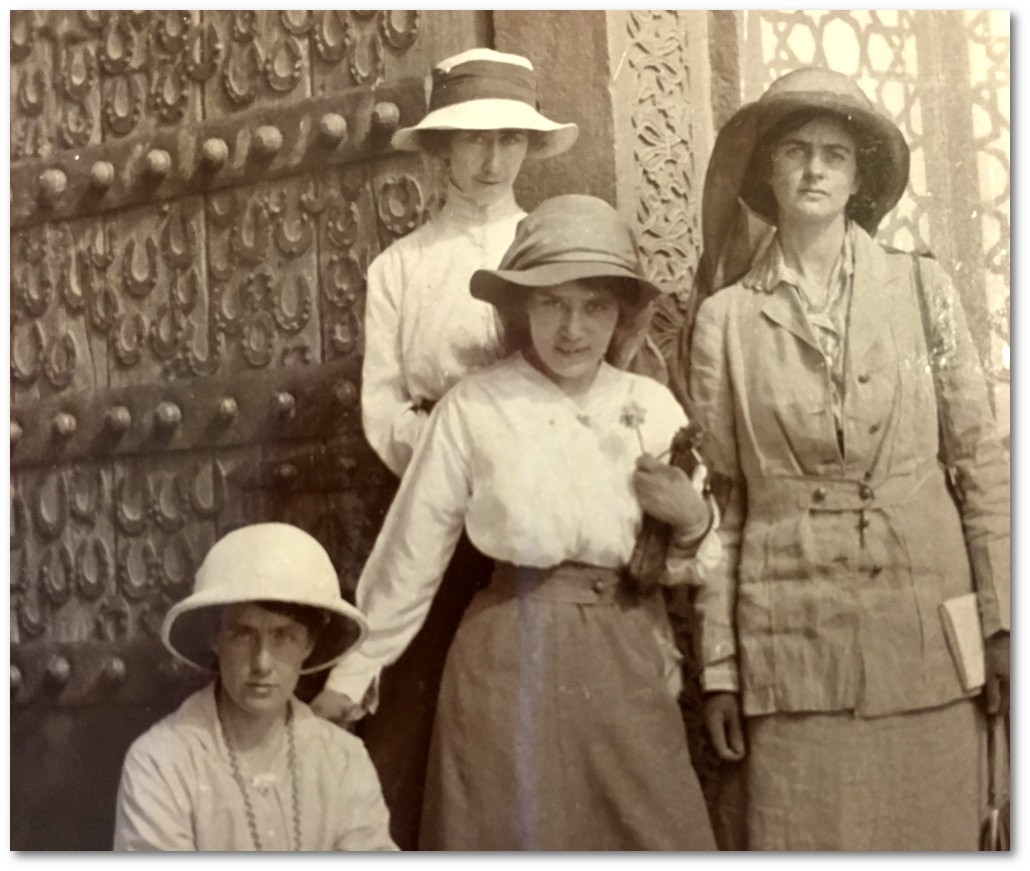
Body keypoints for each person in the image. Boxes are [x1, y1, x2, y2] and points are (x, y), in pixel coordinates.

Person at [321, 195, 718, 850]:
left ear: (621, 313)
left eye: (593, 305)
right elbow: (411, 555)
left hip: (623, 658)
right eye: (551, 302)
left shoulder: (651, 407)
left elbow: (701, 555)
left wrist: (694, 518)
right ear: (519, 306)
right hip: (506, 659)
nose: (572, 328)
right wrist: (350, 677)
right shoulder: (474, 406)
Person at [686, 67, 1010, 850]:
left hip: (925, 642)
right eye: (795, 150)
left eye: (834, 154)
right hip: (791, 651)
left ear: (858, 174)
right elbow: (719, 509)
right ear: (766, 169)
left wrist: (1006, 625)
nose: (813, 170)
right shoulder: (726, 322)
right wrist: (722, 665)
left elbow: (980, 463)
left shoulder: (920, 288)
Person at [312, 47, 578, 848]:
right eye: (472, 139)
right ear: (441, 149)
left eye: (507, 139)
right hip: (431, 499)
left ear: (528, 148)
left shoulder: (550, 245)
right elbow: (384, 401)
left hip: (538, 504)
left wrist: (510, 463)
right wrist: (445, 464)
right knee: (417, 716)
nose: (491, 158)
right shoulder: (401, 266)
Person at [113, 523, 398, 852]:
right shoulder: (161, 763)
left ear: (309, 644)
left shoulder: (343, 760)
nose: (262, 662)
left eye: (283, 637)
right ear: (215, 638)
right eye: (243, 634)